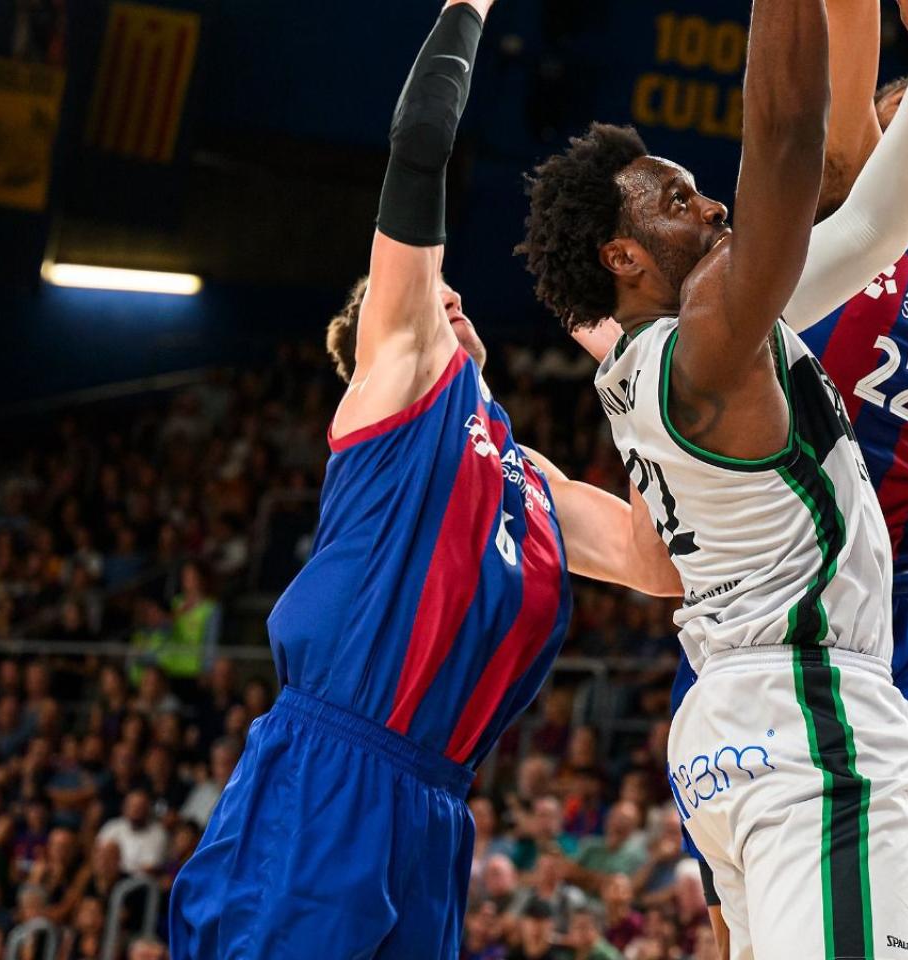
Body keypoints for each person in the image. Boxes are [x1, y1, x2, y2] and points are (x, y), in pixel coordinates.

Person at [167, 2, 673, 957]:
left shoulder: (530, 477)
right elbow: (419, 147)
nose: (445, 300)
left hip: (437, 803)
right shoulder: (396, 384)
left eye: (452, 296)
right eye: (421, 296)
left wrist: (635, 381)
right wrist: (468, 8)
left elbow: (660, 562)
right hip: (330, 768)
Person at [519, 0, 908, 954]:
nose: (713, 205)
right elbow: (782, 138)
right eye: (679, 201)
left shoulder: (691, 343)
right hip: (810, 725)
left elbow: (870, 234)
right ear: (624, 256)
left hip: (740, 725)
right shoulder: (710, 348)